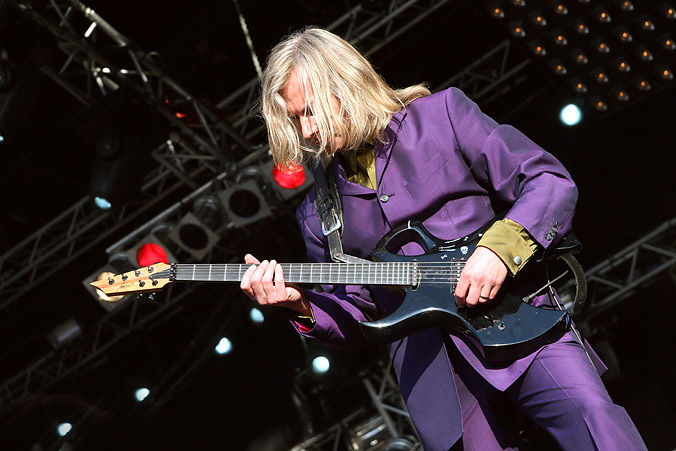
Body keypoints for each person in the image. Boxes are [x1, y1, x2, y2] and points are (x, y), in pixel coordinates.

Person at [240, 27, 646, 450]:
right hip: (437, 381)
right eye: (295, 119)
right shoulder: (316, 214)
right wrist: (299, 304)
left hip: (518, 320)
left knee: (596, 423)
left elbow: (548, 181)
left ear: (345, 83)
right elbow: (356, 312)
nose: (306, 131)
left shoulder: (441, 115)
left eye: (310, 111)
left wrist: (498, 251)